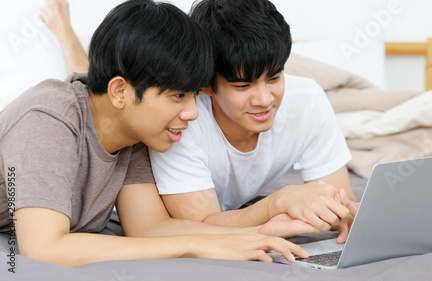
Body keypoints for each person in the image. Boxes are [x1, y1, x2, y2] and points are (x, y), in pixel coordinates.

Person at [0, 0, 309, 267]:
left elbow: (149, 227)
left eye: (192, 96)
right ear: (120, 91)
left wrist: (260, 234)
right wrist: (196, 245)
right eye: (178, 97)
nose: (192, 113)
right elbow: (44, 248)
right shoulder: (48, 117)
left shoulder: (134, 133)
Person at [149, 0, 359, 243]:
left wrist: (336, 213)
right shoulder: (183, 120)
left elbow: (343, 203)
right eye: (243, 86)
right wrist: (279, 202)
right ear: (206, 84)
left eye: (274, 78)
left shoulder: (306, 99)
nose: (264, 100)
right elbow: (202, 225)